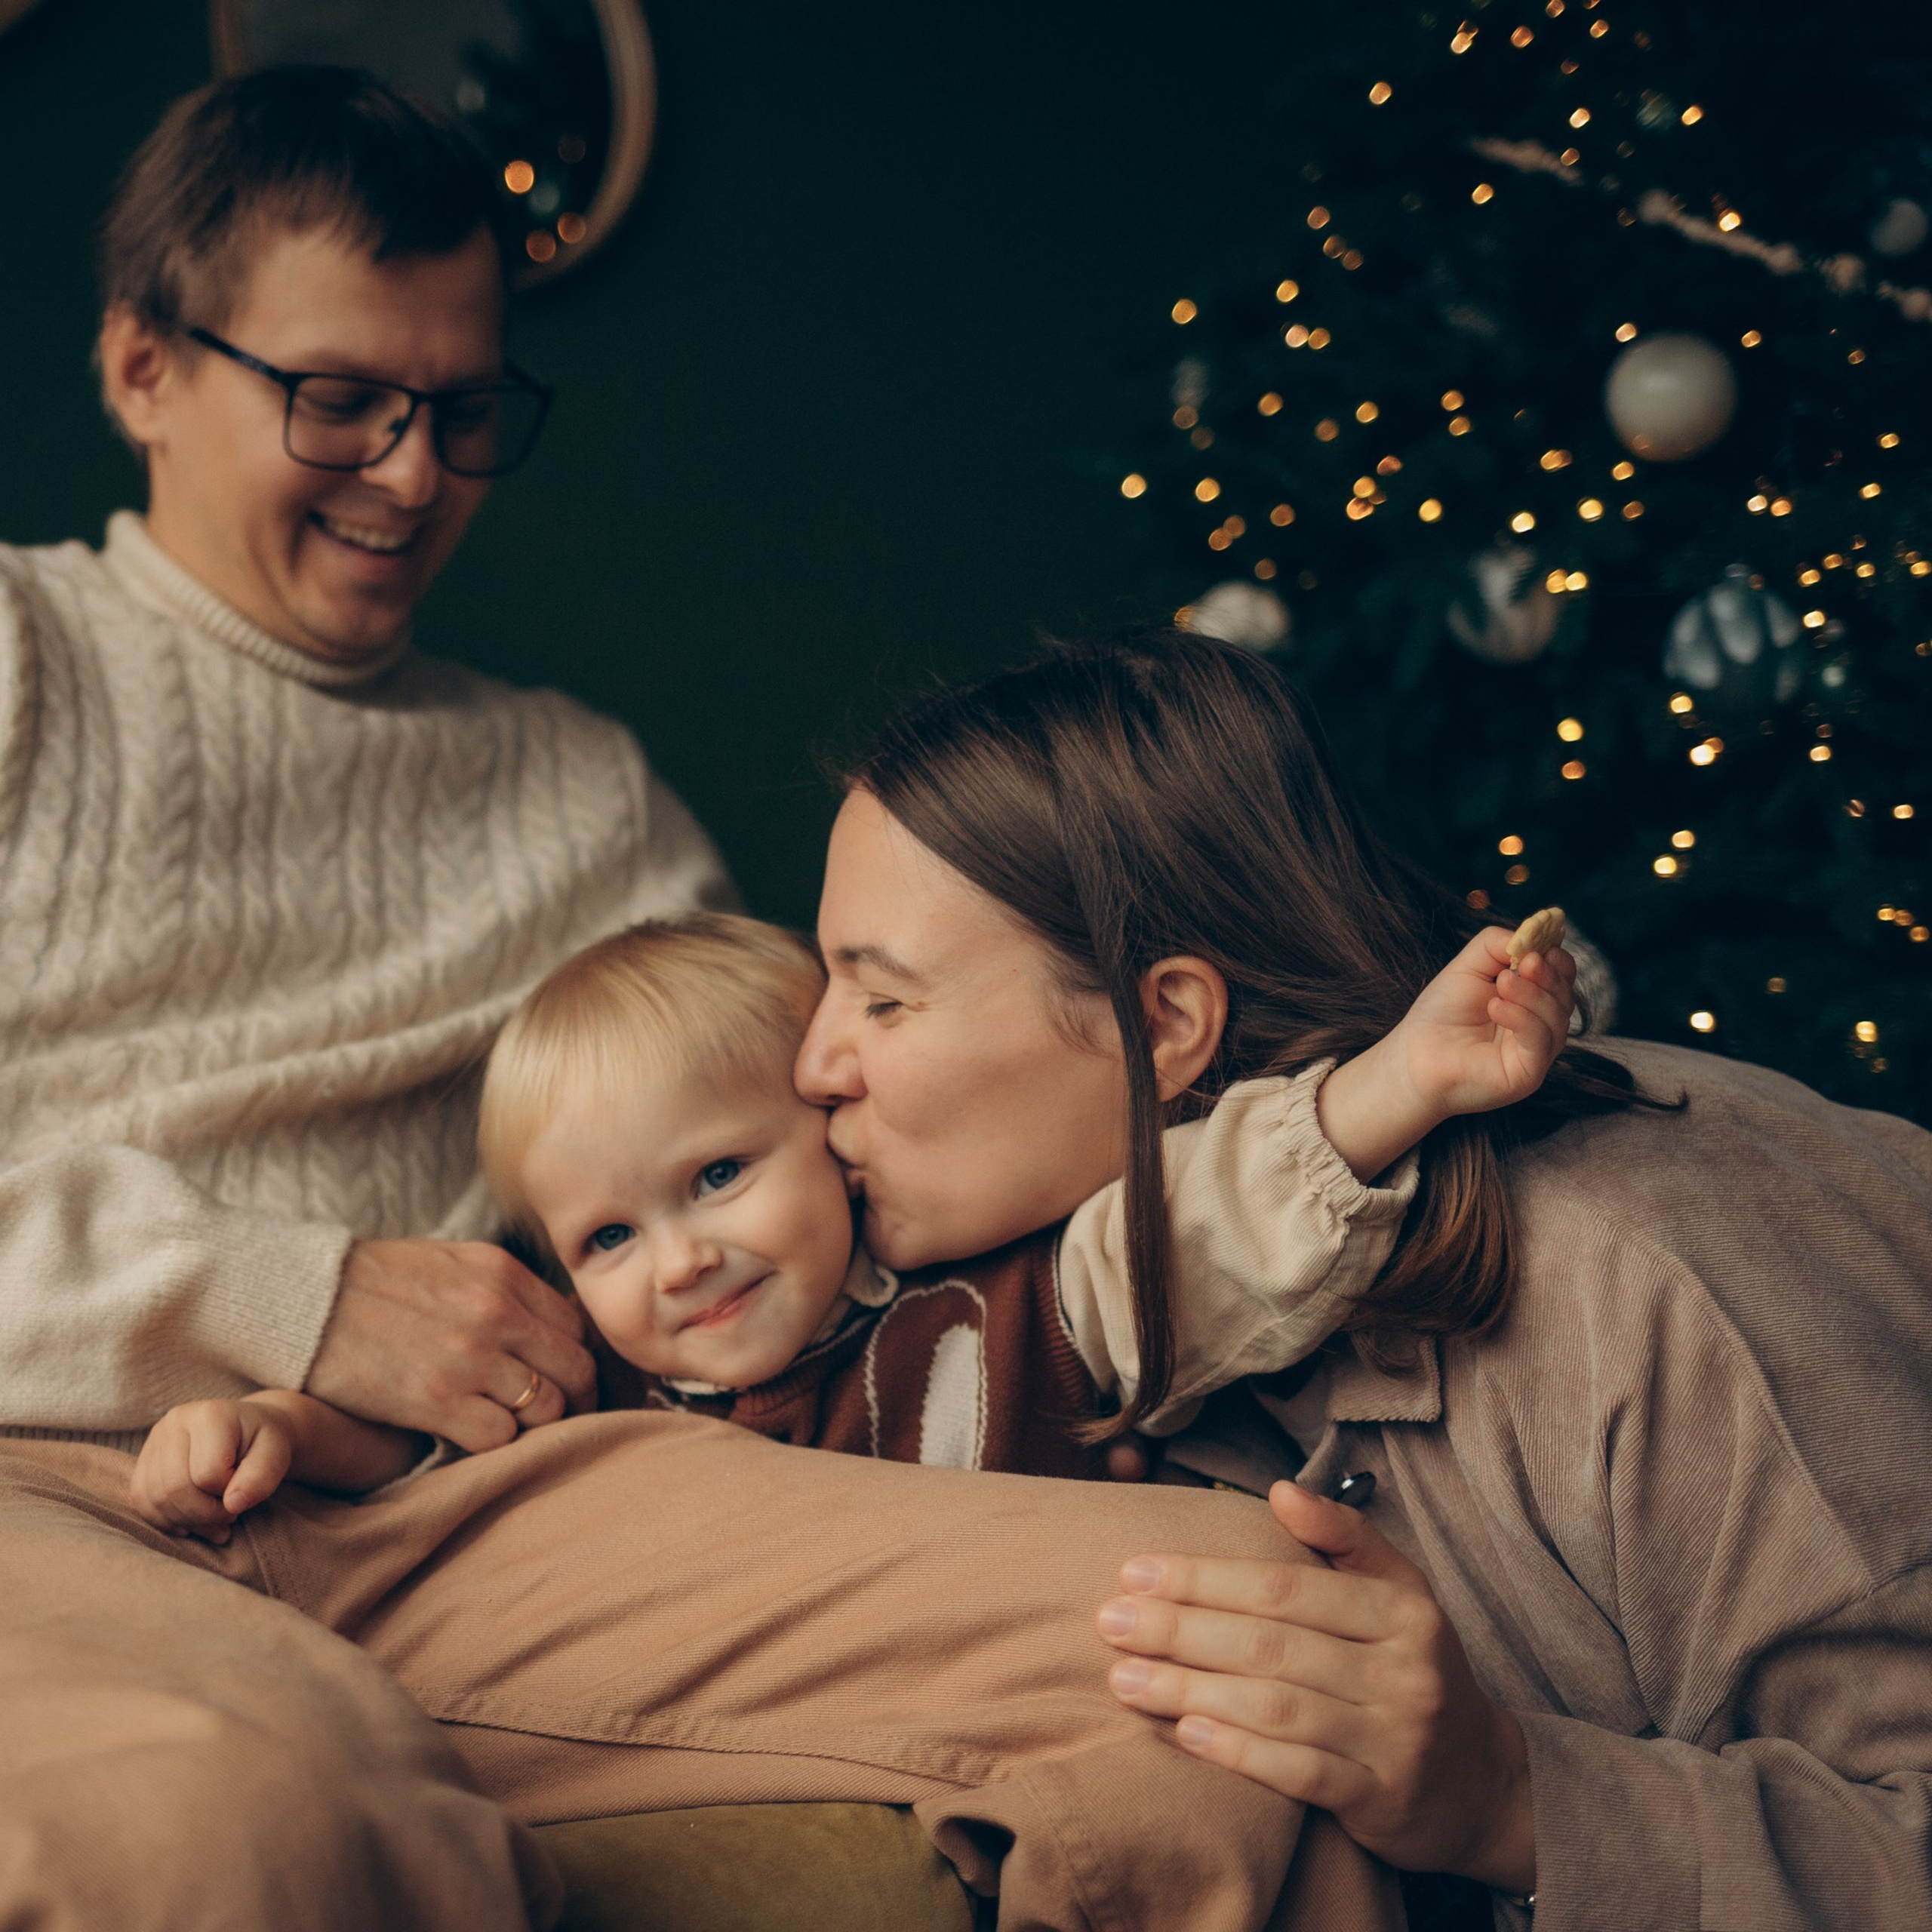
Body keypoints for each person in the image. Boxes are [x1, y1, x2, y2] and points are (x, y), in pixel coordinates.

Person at [0, 70, 1417, 1932]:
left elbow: (838, 1133)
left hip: (470, 1498)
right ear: (142, 369)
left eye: (464, 407)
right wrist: (290, 1290)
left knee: (1240, 1646)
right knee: (239, 1823)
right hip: (59, 1477)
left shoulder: (575, 791)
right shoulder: (21, 656)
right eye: (340, 400)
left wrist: (1316, 1125)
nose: (415, 476)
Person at [790, 626, 1932, 1928]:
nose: (813, 1064)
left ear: (1162, 1025)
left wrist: (1509, 1799)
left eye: (881, 1003)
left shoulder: (1636, 1281)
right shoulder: (1024, 1315)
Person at [127, 905, 1573, 1527]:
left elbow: (1211, 1225)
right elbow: (424, 1439)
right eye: (608, 1239)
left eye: (715, 1179)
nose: (680, 1261)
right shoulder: (600, 1375)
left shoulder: (999, 1302)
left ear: (832, 1129)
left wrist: (1399, 1086)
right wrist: (280, 1432)